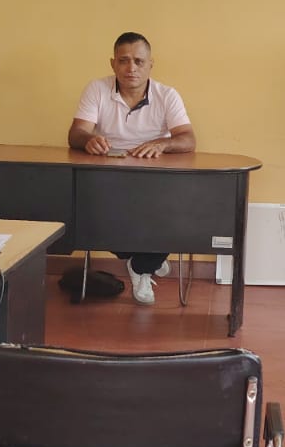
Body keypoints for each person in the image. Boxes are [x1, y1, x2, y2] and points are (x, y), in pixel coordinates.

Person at [68, 31, 197, 305]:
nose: (131, 68)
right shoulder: (97, 89)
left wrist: (163, 144)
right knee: (92, 212)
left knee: (182, 210)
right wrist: (89, 140)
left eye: (139, 61)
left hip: (156, 179)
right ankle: (149, 257)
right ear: (112, 63)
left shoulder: (167, 95)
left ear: (151, 64)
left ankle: (141, 265)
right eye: (123, 60)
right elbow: (76, 133)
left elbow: (188, 139)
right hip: (109, 177)